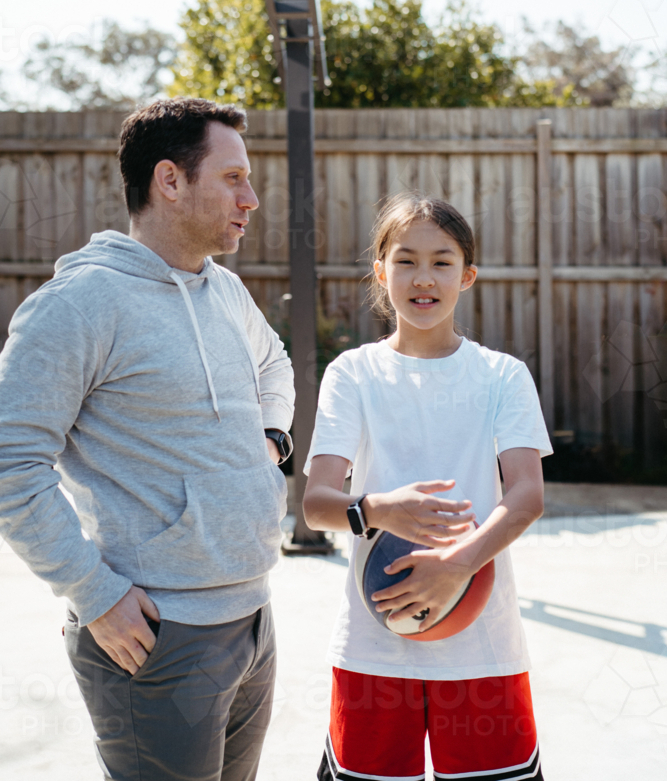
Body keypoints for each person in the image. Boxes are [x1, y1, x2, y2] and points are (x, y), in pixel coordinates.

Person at [0, 97, 295, 781]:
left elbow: (272, 359)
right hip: (157, 636)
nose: (250, 199)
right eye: (232, 178)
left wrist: (271, 440)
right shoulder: (78, 305)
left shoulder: (221, 290)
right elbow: (11, 462)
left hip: (252, 614)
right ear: (169, 180)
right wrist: (92, 591)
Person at [303, 192, 551, 781]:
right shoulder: (352, 374)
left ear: (466, 275)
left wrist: (456, 566)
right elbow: (316, 505)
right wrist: (380, 508)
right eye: (406, 259)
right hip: (373, 643)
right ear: (380, 271)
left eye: (441, 261)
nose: (423, 277)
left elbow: (527, 496)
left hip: (481, 647)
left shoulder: (501, 376)